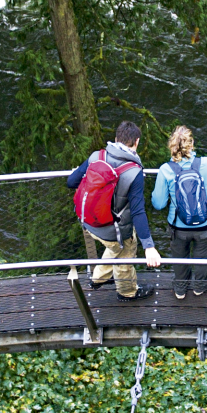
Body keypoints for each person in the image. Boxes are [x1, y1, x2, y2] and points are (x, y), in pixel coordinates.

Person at [67, 121, 162, 300]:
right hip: (114, 231)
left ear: (116, 138)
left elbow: (71, 182)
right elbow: (138, 212)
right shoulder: (134, 172)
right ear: (137, 142)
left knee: (114, 248)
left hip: (89, 223)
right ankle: (127, 292)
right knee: (125, 250)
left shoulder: (97, 156)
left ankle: (98, 278)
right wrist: (149, 246)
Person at [151, 126, 207, 299]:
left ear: (171, 146)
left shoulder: (165, 170)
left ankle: (180, 289)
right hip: (205, 224)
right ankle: (200, 287)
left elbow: (159, 204)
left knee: (180, 258)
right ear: (191, 144)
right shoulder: (206, 163)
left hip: (178, 226)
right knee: (204, 258)